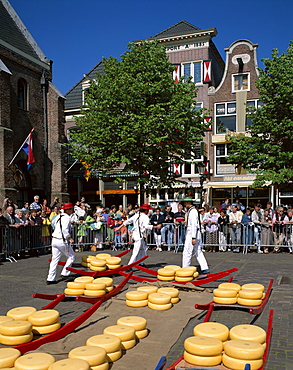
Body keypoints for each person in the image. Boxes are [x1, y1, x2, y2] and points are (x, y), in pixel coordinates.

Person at [46, 203, 75, 284]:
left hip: (54, 239)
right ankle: (65, 273)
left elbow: (53, 224)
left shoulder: (58, 216)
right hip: (62, 240)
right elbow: (65, 230)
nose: (72, 211)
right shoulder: (67, 218)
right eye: (71, 209)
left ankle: (50, 278)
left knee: (54, 259)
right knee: (71, 256)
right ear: (68, 210)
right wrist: (69, 238)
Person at [182, 197, 210, 274]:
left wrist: (193, 237)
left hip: (192, 234)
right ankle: (205, 268)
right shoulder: (192, 211)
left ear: (188, 203)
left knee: (187, 252)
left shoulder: (193, 212)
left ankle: (185, 269)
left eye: (185, 203)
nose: (184, 205)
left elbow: (194, 225)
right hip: (193, 233)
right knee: (198, 251)